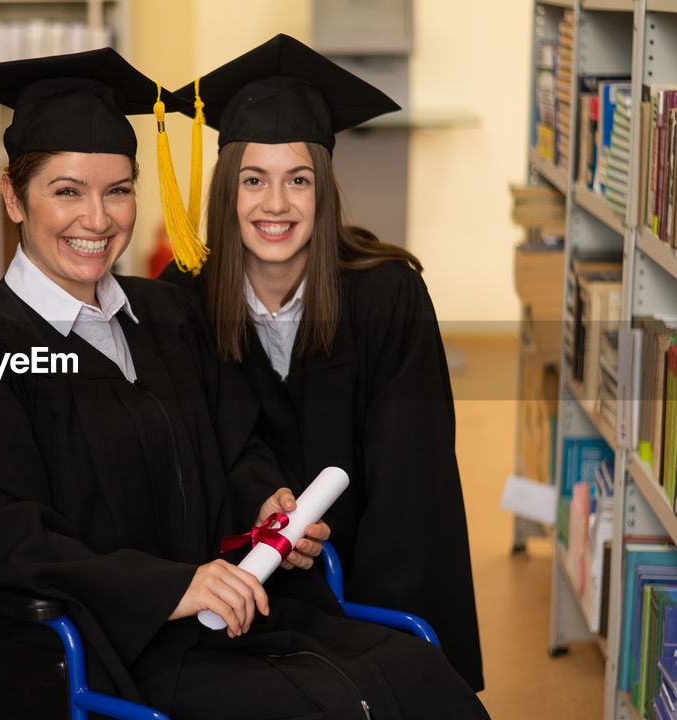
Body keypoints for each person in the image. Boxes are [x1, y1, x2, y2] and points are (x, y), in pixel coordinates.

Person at [0, 47, 490, 719]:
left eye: (118, 190)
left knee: (418, 678)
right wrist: (168, 589)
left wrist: (264, 503)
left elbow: (234, 443)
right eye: (67, 191)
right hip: (116, 649)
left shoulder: (165, 316)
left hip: (232, 621)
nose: (97, 219)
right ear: (12, 195)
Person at [158, 34, 485, 692]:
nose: (275, 205)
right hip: (235, 595)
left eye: (298, 180)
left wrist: (382, 634)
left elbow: (411, 495)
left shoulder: (388, 297)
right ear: (227, 190)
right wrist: (255, 506)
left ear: (324, 191)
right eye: (254, 180)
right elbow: (185, 458)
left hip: (362, 593)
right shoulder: (181, 299)